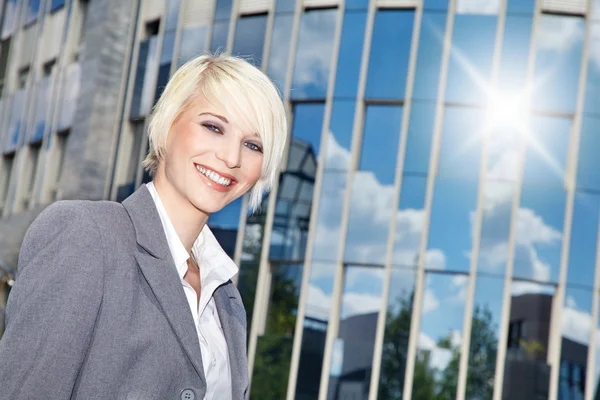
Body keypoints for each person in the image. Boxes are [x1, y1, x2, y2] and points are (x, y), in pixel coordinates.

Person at [0, 53, 288, 400]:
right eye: (214, 127)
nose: (232, 158)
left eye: (252, 145)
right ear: (168, 124)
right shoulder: (86, 234)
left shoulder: (228, 300)